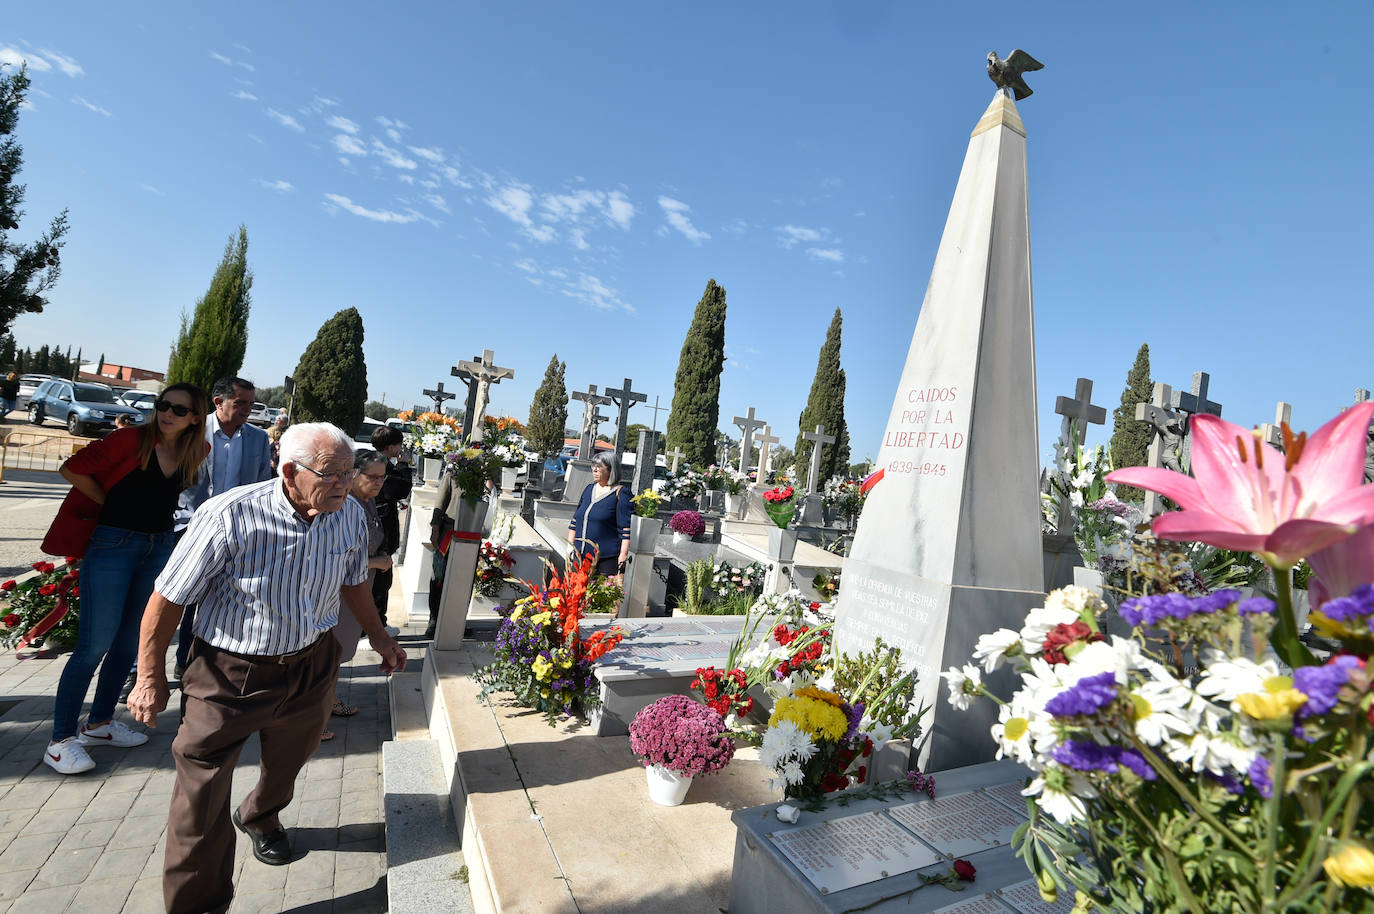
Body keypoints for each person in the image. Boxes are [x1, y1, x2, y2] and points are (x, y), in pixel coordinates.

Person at [126, 422, 406, 914]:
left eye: (349, 472)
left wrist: (380, 636)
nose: (345, 483)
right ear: (291, 470)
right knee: (200, 798)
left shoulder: (348, 518)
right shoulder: (230, 516)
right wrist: (149, 676)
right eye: (332, 474)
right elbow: (168, 599)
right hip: (229, 673)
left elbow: (354, 582)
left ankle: (260, 814)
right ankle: (199, 905)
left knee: (290, 760)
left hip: (312, 665)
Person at [43, 383, 209, 775]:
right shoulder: (129, 439)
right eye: (163, 405)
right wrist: (108, 502)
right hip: (113, 544)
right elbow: (72, 468)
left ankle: (99, 724)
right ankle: (60, 740)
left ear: (195, 418)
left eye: (179, 410)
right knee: (93, 645)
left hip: (159, 546)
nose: (167, 413)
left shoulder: (194, 450)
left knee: (128, 643)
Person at [169, 376, 273, 682]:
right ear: (219, 402)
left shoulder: (257, 439)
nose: (247, 410)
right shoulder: (192, 432)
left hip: (238, 532)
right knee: (180, 595)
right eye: (241, 403)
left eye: (251, 405)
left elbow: (262, 484)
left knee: (218, 598)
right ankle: (146, 665)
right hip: (189, 526)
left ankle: (192, 662)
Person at [323, 448, 393, 740]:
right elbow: (336, 558)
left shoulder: (368, 501)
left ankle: (328, 702)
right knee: (328, 655)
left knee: (338, 655)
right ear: (355, 474)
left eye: (382, 478)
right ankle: (314, 718)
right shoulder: (344, 506)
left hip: (360, 590)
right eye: (371, 477)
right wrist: (378, 562)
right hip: (340, 593)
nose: (377, 483)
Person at [567, 450, 631, 583]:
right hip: (580, 556)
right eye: (593, 466)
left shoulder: (620, 493)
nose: (594, 470)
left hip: (605, 559)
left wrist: (623, 556)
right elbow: (575, 520)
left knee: (599, 600)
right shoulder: (589, 489)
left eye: (599, 467)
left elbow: (626, 529)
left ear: (610, 470)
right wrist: (569, 546)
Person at [370, 425, 411, 631]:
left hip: (379, 528)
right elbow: (399, 490)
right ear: (390, 447)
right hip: (381, 531)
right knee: (380, 580)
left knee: (381, 580)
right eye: (399, 445)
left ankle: (376, 623)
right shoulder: (382, 465)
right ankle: (376, 626)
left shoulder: (374, 461)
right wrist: (404, 465)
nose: (401, 449)